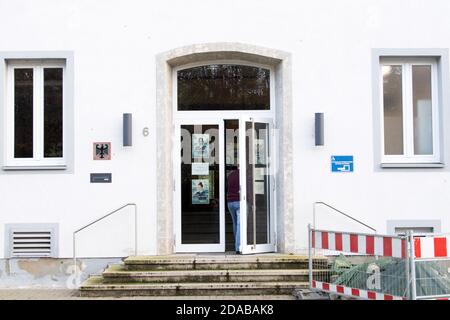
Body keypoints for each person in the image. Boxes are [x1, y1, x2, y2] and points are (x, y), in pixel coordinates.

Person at [227, 168, 240, 254]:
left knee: (235, 223)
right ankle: (238, 247)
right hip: (239, 202)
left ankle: (237, 244)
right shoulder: (243, 174)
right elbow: (248, 189)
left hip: (230, 202)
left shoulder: (230, 175)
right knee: (240, 224)